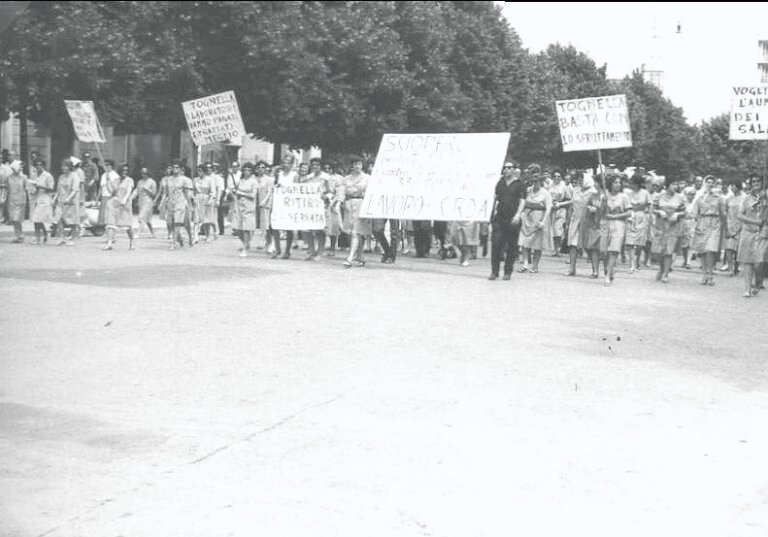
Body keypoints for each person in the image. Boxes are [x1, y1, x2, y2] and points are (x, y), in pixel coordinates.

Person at [489, 160, 524, 280]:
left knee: (511, 246)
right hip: (500, 218)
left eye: (509, 168)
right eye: (505, 168)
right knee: (496, 244)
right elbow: (495, 199)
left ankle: (508, 272)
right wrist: (491, 214)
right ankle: (494, 271)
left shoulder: (519, 184)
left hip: (513, 219)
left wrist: (518, 215)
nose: (507, 170)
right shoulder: (500, 183)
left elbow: (522, 201)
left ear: (514, 169)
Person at [561, 172, 600, 278]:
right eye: (578, 179)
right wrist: (568, 221)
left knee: (589, 247)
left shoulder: (593, 192)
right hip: (576, 220)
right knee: (573, 245)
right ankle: (572, 269)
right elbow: (572, 205)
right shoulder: (576, 190)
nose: (579, 181)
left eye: (581, 178)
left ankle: (595, 270)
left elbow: (598, 206)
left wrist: (594, 209)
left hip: (588, 221)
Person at [649, 177, 686, 283]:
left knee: (669, 252)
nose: (676, 186)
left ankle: (665, 273)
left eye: (677, 184)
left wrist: (677, 214)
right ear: (668, 185)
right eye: (674, 184)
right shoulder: (659, 196)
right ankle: (661, 268)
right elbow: (653, 209)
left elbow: (684, 211)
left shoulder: (680, 198)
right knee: (659, 251)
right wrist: (660, 212)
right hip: (661, 225)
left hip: (673, 226)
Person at [515, 172, 552, 274]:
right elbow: (523, 202)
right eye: (533, 182)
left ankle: (535, 266)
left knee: (537, 244)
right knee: (524, 242)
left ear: (541, 182)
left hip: (538, 217)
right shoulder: (528, 191)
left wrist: (543, 221)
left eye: (536, 182)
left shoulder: (546, 193)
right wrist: (519, 214)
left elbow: (548, 208)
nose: (534, 184)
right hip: (527, 218)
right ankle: (525, 264)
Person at [692, 175, 726, 285]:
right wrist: (696, 224)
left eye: (712, 182)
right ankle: (704, 274)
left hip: (714, 223)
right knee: (702, 251)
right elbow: (695, 213)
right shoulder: (699, 197)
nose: (710, 184)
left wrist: (724, 225)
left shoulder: (719, 197)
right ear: (704, 183)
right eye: (708, 182)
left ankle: (710, 274)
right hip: (702, 223)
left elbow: (723, 213)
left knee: (710, 250)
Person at [598, 174, 631, 285]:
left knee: (614, 250)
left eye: (619, 183)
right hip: (605, 224)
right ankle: (609, 270)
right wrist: (603, 203)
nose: (618, 185)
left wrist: (616, 216)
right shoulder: (604, 196)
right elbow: (601, 212)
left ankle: (607, 276)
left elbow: (629, 212)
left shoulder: (624, 197)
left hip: (618, 224)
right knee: (603, 251)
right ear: (610, 184)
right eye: (615, 182)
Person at [737, 176, 766, 297]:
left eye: (758, 181)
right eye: (753, 182)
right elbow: (739, 215)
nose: (756, 184)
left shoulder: (766, 197)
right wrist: (754, 222)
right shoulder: (746, 198)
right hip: (748, 231)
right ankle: (747, 288)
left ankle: (758, 282)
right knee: (747, 261)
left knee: (759, 261)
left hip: (763, 233)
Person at [298, 157, 331, 260]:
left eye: (317, 165)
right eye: (313, 165)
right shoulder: (308, 178)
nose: (315, 167)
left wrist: (326, 197)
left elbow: (331, 191)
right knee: (308, 230)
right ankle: (311, 251)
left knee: (320, 230)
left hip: (321, 206)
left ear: (321, 166)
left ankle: (320, 252)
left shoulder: (326, 178)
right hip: (310, 206)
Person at [341, 156, 371, 268]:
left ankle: (349, 258)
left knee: (356, 232)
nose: (357, 166)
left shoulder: (367, 178)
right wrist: (343, 202)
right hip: (349, 205)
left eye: (359, 164)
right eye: (355, 164)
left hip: (361, 204)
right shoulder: (346, 179)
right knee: (349, 232)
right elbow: (342, 192)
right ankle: (360, 255)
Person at [270, 154, 299, 259]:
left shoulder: (295, 175)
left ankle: (287, 250)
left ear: (291, 164)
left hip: (289, 203)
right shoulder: (280, 174)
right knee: (275, 226)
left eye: (288, 162)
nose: (285, 165)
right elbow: (275, 185)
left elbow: (297, 189)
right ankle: (277, 248)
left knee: (288, 228)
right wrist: (277, 187)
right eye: (284, 162)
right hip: (279, 202)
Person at [103, 164, 135, 250]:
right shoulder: (116, 180)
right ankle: (109, 243)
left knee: (127, 226)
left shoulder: (129, 180)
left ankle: (132, 242)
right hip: (115, 203)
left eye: (126, 170)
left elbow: (129, 191)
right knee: (111, 224)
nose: (124, 172)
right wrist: (108, 182)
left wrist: (124, 199)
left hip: (124, 205)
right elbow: (111, 191)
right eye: (123, 170)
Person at [624, 173, 651, 273]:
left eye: (633, 183)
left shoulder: (645, 193)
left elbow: (649, 205)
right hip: (631, 216)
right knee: (630, 242)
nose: (631, 185)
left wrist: (648, 216)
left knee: (639, 242)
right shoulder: (628, 194)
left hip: (641, 217)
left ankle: (636, 260)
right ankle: (632, 264)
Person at [231, 162, 258, 256]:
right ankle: (246, 243)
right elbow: (234, 190)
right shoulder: (240, 180)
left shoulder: (254, 181)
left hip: (248, 207)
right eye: (245, 170)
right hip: (239, 206)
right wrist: (234, 191)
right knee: (236, 229)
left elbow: (253, 195)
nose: (247, 172)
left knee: (246, 229)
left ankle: (245, 249)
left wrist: (240, 193)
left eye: (249, 170)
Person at [166, 162, 194, 250]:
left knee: (179, 224)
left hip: (180, 203)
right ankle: (180, 239)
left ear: (180, 169)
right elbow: (167, 192)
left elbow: (186, 193)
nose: (175, 169)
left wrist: (189, 204)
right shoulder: (169, 179)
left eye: (177, 167)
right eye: (173, 167)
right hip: (171, 203)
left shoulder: (184, 180)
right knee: (169, 223)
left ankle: (175, 243)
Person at [720, 178, 745, 277]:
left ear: (738, 186)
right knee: (729, 248)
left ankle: (737, 267)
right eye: (731, 186)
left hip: (741, 224)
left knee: (738, 248)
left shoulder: (745, 198)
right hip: (730, 223)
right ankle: (730, 268)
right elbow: (724, 210)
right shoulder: (729, 198)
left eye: (733, 186)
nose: (732, 188)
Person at [53, 159, 80, 245]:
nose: (63, 168)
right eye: (63, 166)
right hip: (61, 200)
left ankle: (72, 238)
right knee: (59, 219)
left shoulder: (74, 176)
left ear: (70, 167)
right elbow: (58, 189)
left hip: (70, 201)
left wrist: (69, 198)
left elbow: (75, 189)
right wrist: (54, 198)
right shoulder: (61, 176)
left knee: (71, 221)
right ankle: (61, 238)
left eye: (65, 166)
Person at [28, 160, 55, 245]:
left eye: (40, 165)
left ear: (43, 165)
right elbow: (31, 185)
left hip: (44, 198)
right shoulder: (34, 175)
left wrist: (40, 187)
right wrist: (32, 188)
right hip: (36, 198)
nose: (38, 167)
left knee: (37, 219)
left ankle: (38, 238)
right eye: (36, 165)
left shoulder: (48, 176)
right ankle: (44, 233)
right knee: (37, 219)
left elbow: (51, 188)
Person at [548, 168, 570, 257]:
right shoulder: (549, 185)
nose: (557, 178)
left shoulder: (564, 186)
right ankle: (555, 249)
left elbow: (569, 200)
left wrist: (560, 204)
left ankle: (559, 248)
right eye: (555, 176)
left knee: (558, 230)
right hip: (551, 209)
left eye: (559, 176)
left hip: (560, 209)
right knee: (552, 230)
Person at [6, 161, 28, 242]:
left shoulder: (24, 177)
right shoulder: (8, 177)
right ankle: (19, 235)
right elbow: (6, 188)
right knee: (14, 219)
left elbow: (27, 188)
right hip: (11, 200)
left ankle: (18, 235)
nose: (21, 169)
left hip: (21, 200)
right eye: (19, 167)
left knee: (17, 218)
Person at [135, 167, 157, 238]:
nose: (143, 175)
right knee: (147, 220)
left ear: (148, 173)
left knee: (142, 217)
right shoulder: (140, 182)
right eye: (142, 173)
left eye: (145, 173)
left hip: (148, 202)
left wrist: (147, 190)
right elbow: (137, 191)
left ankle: (138, 233)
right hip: (141, 201)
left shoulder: (152, 182)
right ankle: (152, 233)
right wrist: (132, 197)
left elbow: (154, 193)